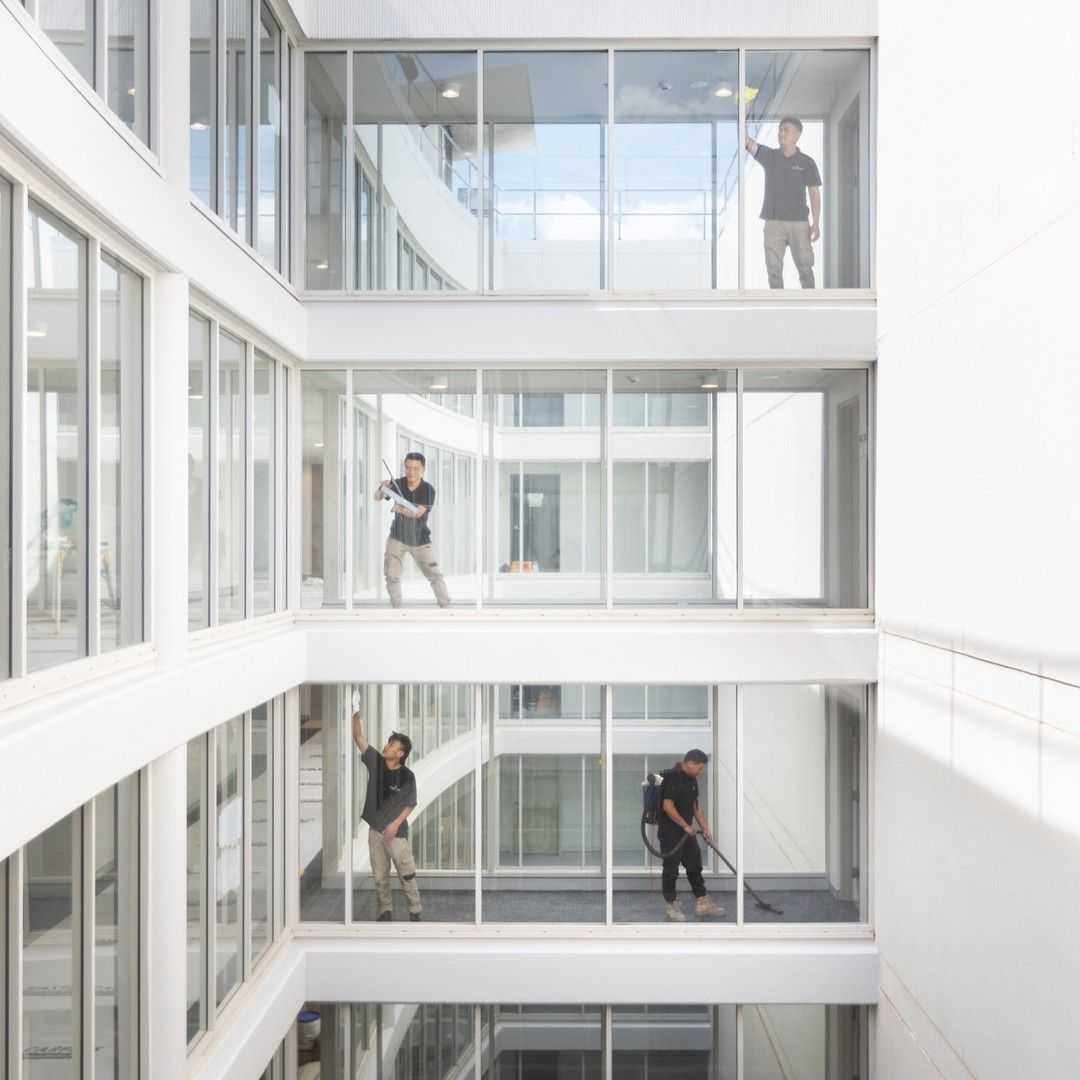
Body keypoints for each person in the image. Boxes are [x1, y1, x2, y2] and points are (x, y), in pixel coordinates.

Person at [351, 708, 422, 921]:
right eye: (388, 742)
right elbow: (358, 736)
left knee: (406, 875)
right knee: (380, 876)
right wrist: (355, 712)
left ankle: (415, 911)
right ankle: (385, 911)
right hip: (375, 833)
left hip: (397, 834)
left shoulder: (407, 776)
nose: (386, 746)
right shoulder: (376, 762)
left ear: (400, 753)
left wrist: (395, 823)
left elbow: (410, 804)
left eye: (392, 745)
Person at [745, 117, 822, 289]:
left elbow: (814, 192)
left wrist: (815, 223)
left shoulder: (807, 162)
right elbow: (746, 142)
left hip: (800, 224)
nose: (781, 133)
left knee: (805, 268)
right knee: (774, 270)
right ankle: (777, 307)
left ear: (797, 134)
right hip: (773, 222)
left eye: (786, 129)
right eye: (780, 130)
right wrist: (745, 116)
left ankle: (810, 306)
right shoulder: (770, 156)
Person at [375, 451, 451, 608]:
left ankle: (447, 607)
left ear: (423, 469)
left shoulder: (428, 489)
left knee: (435, 574)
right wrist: (382, 488)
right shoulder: (397, 484)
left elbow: (418, 512)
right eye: (408, 467)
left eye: (416, 468)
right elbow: (377, 497)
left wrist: (401, 509)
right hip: (397, 537)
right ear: (404, 467)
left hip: (420, 540)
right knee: (391, 575)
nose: (411, 472)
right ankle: (397, 609)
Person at [658, 749, 725, 922]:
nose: (700, 772)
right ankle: (671, 906)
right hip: (670, 834)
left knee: (695, 865)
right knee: (671, 870)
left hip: (687, 833)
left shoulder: (692, 780)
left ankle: (702, 903)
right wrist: (685, 825)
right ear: (691, 763)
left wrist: (705, 829)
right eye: (700, 768)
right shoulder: (672, 777)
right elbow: (667, 806)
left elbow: (695, 806)